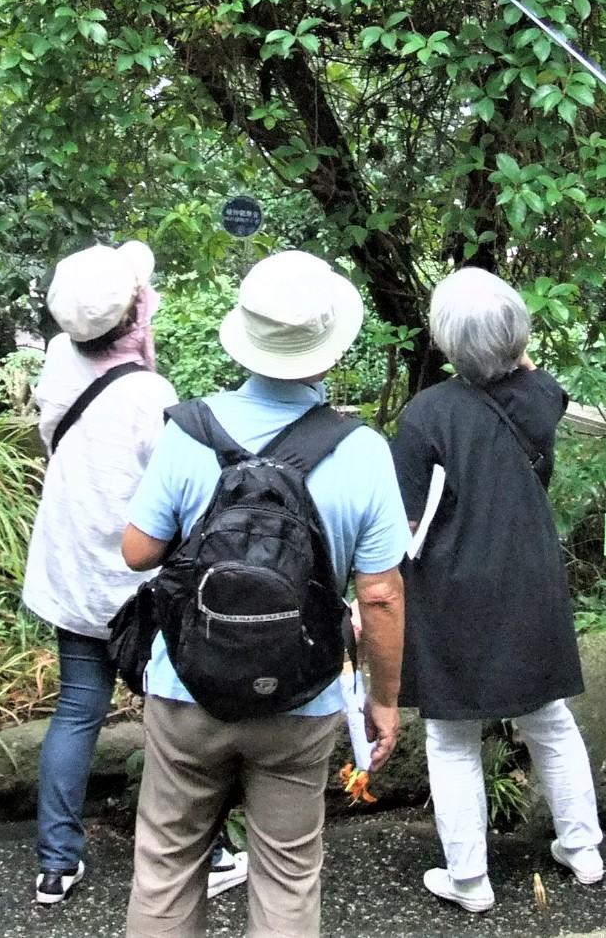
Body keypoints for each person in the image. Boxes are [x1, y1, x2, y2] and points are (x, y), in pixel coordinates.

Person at [120, 250, 408, 937]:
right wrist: (384, 702)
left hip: (186, 688)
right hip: (300, 696)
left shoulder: (189, 432)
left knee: (165, 864)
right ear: (327, 346)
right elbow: (382, 596)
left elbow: (137, 553)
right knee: (286, 871)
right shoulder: (362, 451)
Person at [22, 241, 248, 905]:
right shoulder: (149, 392)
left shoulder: (63, 361)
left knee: (76, 710)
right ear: (135, 314)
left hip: (71, 569)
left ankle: (56, 865)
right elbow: (172, 487)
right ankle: (205, 855)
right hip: (136, 584)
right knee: (172, 717)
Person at [389, 268, 603, 913]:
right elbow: (527, 373)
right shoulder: (544, 396)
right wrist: (507, 349)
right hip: (529, 575)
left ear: (445, 341)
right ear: (519, 334)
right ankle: (583, 848)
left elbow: (402, 526)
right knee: (549, 719)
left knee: (451, 737)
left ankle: (469, 880)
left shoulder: (427, 415)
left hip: (452, 585)